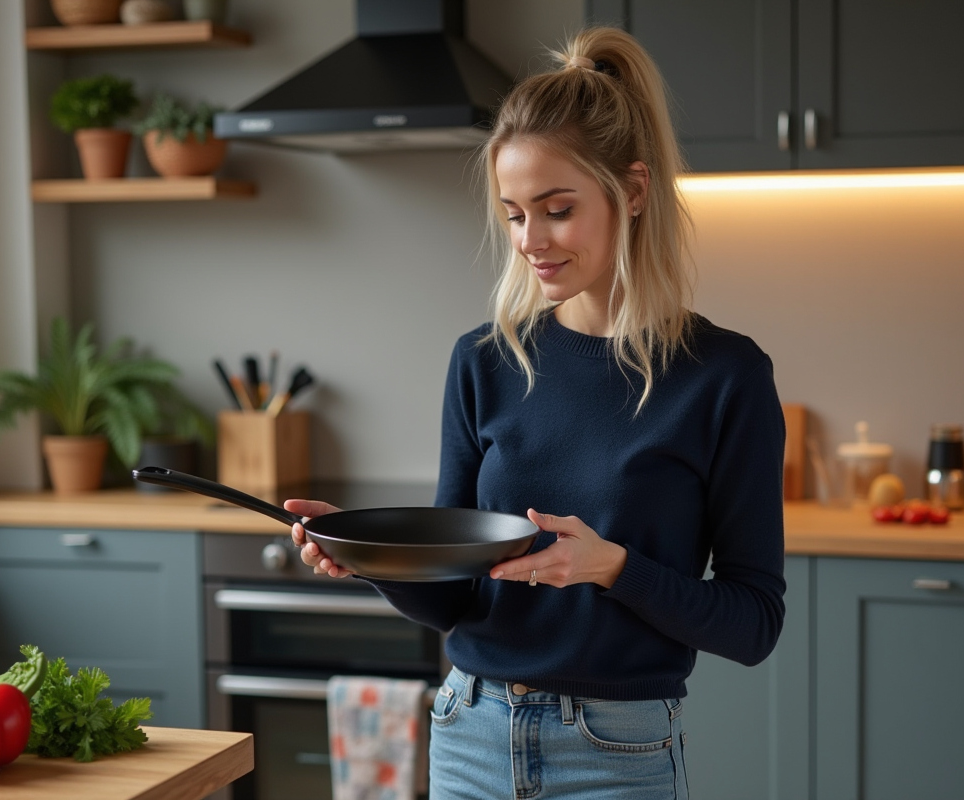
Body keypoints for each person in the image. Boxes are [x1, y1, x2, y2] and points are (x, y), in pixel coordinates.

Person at [286, 26, 786, 799]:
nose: (530, 241)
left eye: (556, 210)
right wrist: (367, 557)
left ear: (635, 190)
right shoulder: (484, 361)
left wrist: (613, 568)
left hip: (616, 752)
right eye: (515, 215)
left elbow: (753, 625)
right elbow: (455, 596)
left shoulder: (723, 377)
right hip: (469, 730)